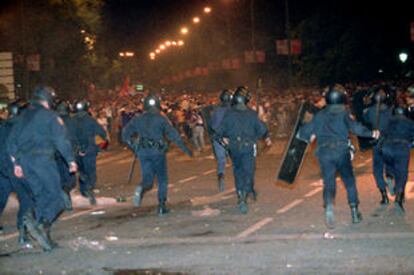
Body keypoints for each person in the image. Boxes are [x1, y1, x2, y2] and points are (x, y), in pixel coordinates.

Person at [298, 84, 379, 228]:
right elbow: (355, 128)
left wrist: (305, 135)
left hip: (324, 153)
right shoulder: (344, 112)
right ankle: (354, 211)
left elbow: (305, 131)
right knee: (349, 181)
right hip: (341, 151)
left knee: (329, 182)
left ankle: (329, 205)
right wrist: (371, 133)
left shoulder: (320, 115)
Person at [7, 86, 78, 251]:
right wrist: (70, 160)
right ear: (49, 99)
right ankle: (38, 222)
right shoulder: (50, 117)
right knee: (57, 198)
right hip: (42, 160)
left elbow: (11, 142)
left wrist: (16, 164)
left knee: (41, 196)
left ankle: (44, 236)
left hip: (25, 162)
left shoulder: (23, 116)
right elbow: (61, 140)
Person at [122, 94, 192, 216]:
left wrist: (133, 147)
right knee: (162, 179)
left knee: (147, 178)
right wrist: (185, 148)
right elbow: (173, 134)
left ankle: (141, 188)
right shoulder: (161, 118)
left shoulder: (138, 119)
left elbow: (125, 134)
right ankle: (161, 205)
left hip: (143, 152)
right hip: (158, 152)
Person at [215, 87, 271, 214]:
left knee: (238, 171)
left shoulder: (229, 114)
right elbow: (262, 129)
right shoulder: (251, 114)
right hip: (247, 147)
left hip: (234, 148)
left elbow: (218, 133)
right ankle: (245, 193)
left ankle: (241, 193)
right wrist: (267, 138)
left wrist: (224, 141)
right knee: (249, 171)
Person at [0, 101, 34, 246]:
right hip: (17, 168)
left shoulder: (3, 126)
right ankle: (22, 230)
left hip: (3, 169)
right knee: (26, 198)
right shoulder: (23, 127)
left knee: (1, 197)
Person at [378, 107, 414, 214]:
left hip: (387, 147)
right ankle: (399, 196)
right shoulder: (410, 122)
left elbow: (382, 134)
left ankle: (389, 176)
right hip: (402, 147)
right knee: (402, 172)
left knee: (389, 164)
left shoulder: (388, 121)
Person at [72, 100, 108, 205]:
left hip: (76, 150)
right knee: (90, 171)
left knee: (81, 171)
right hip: (89, 150)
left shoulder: (72, 120)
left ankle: (84, 190)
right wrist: (103, 141)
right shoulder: (91, 120)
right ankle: (89, 188)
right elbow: (102, 133)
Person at [362, 87, 394, 205]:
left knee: (377, 169)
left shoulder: (370, 111)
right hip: (389, 141)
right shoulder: (391, 110)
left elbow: (365, 120)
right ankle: (390, 178)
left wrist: (367, 105)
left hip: (377, 143)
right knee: (389, 164)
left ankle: (384, 195)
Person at [56, 101, 77, 211]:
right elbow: (76, 136)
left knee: (60, 177)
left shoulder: (53, 121)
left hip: (55, 155)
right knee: (70, 180)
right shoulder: (72, 121)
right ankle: (65, 193)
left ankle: (63, 197)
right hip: (68, 152)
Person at [210, 89, 232, 192]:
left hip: (218, 139)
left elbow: (212, 125)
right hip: (230, 139)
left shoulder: (216, 111)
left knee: (221, 161)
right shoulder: (234, 111)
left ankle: (221, 176)